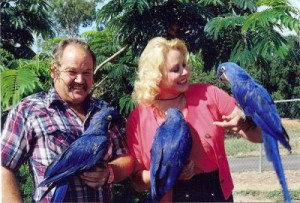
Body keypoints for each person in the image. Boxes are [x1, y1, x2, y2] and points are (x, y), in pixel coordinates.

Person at [126, 37, 263, 202]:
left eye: (184, 65)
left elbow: (261, 136)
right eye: (176, 69)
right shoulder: (138, 118)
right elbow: (137, 182)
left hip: (215, 195)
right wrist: (169, 172)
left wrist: (246, 119)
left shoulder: (209, 95)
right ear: (156, 76)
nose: (185, 72)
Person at [1, 38, 133, 202]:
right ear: (54, 71)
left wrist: (110, 172)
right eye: (72, 72)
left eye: (86, 73)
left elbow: (126, 158)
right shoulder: (29, 110)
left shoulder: (105, 112)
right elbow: (3, 167)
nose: (80, 80)